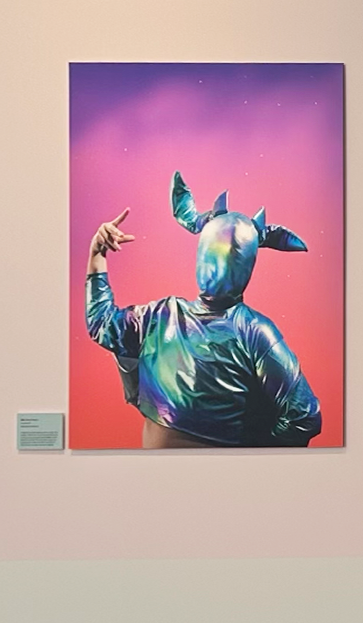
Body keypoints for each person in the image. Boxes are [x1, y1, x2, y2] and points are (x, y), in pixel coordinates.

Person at [84, 172, 322, 448]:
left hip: (220, 473)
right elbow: (102, 324)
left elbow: (305, 417)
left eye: (232, 254)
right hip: (155, 471)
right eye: (214, 251)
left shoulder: (253, 333)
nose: (219, 263)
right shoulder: (161, 316)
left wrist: (254, 454)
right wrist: (97, 253)